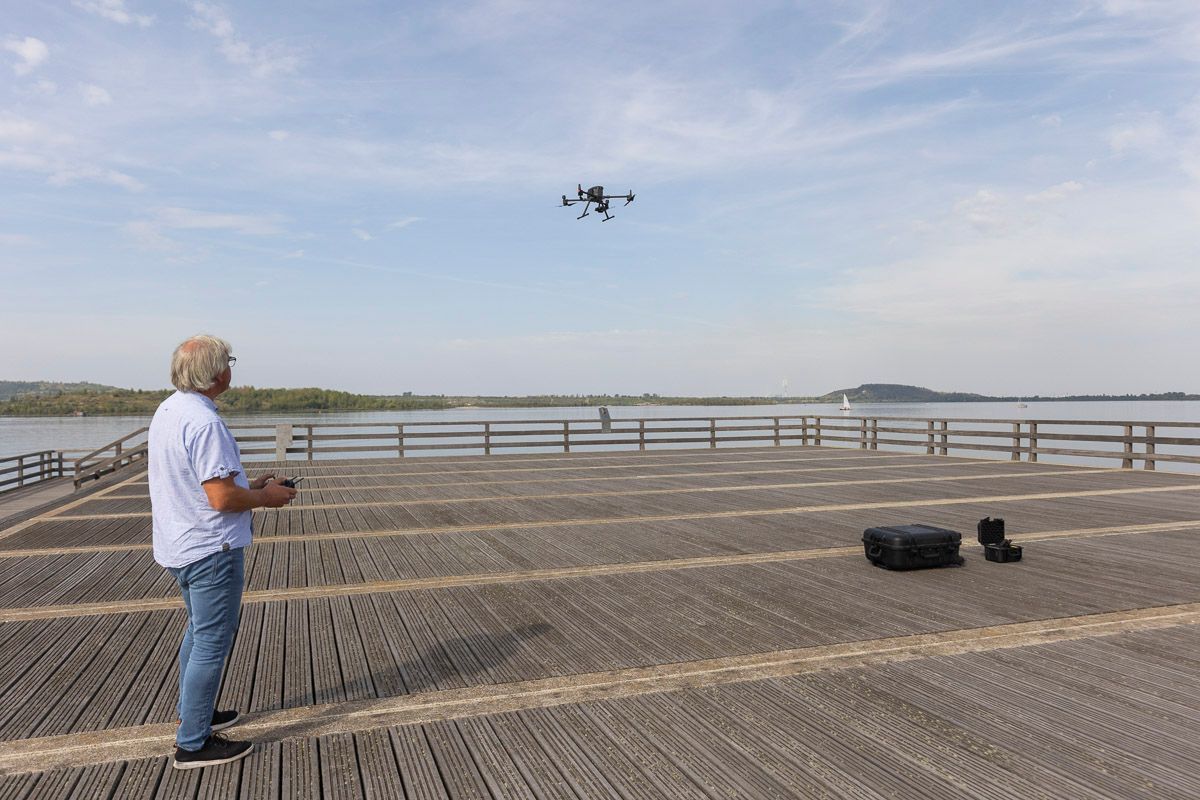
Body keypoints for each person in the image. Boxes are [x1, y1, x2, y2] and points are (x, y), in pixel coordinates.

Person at [148, 334, 296, 769]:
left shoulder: (169, 410)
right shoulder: (206, 423)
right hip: (211, 547)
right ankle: (193, 743)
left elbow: (208, 486)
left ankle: (195, 712)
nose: (231, 367)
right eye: (229, 361)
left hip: (179, 544)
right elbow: (221, 501)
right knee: (213, 640)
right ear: (216, 373)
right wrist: (267, 498)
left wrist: (251, 487)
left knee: (198, 631)